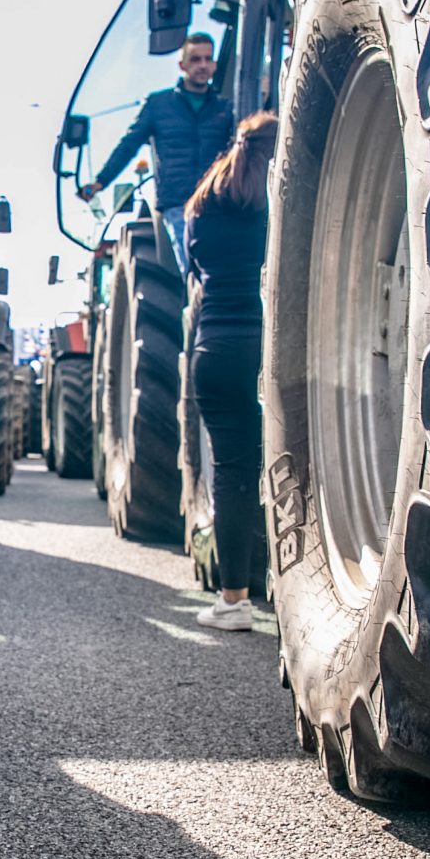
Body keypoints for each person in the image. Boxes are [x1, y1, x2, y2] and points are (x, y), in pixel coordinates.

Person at [183, 112, 277, 631]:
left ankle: (234, 601)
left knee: (234, 472)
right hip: (269, 346)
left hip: (215, 349)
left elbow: (195, 273)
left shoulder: (201, 204)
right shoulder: (284, 198)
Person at [78, 32, 233, 272]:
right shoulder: (158, 105)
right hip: (179, 202)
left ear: (214, 65)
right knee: (194, 271)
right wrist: (100, 182)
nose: (202, 65)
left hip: (217, 202)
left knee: (222, 269)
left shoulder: (226, 108)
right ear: (182, 65)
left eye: (207, 59)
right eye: (195, 59)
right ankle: (197, 307)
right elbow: (128, 145)